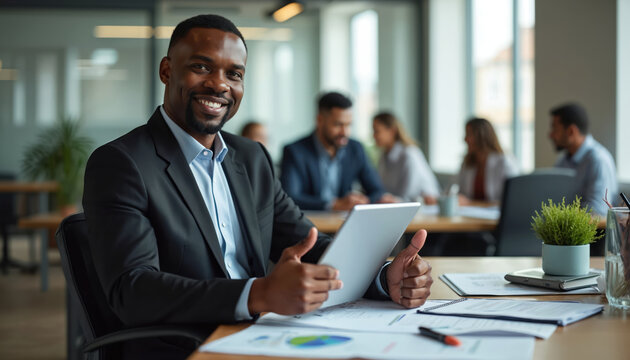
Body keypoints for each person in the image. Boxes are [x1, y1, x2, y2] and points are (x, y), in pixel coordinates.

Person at [82, 14, 432, 359]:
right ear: (166, 70)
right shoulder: (122, 163)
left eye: (234, 74)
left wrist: (385, 277)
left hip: (265, 334)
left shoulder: (251, 158)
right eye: (202, 67)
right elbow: (133, 289)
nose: (219, 85)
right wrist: (257, 294)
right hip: (188, 347)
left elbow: (309, 245)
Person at [280, 92, 396, 211]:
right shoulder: (295, 151)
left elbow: (377, 190)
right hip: (310, 225)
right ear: (319, 120)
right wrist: (333, 204)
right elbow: (290, 197)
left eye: (348, 125)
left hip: (344, 223)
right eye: (338, 125)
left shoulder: (355, 148)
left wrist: (362, 202)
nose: (345, 132)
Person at [549, 103, 618, 216]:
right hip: (565, 230)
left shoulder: (598, 160)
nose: (550, 135)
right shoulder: (563, 161)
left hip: (592, 232)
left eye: (554, 128)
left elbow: (597, 211)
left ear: (571, 131)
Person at [372, 111, 440, 204]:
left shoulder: (409, 154)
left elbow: (408, 195)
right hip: (400, 206)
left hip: (424, 207)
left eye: (377, 131)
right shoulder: (384, 156)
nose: (373, 136)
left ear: (392, 131)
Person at [458, 117, 518, 204]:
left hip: (494, 215)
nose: (465, 139)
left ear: (482, 137)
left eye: (469, 134)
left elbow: (512, 198)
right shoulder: (467, 163)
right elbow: (456, 191)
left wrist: (470, 202)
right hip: (469, 214)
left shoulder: (504, 162)